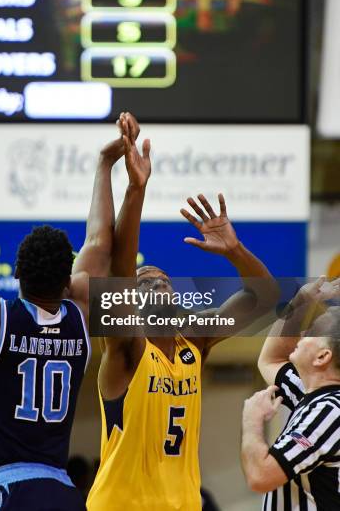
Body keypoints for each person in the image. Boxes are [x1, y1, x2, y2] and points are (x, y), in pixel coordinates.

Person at [0, 122, 130, 511]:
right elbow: (99, 243)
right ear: (66, 284)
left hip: (11, 491)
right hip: (64, 493)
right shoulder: (81, 315)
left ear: (17, 273)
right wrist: (106, 165)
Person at [87, 116, 278, 511]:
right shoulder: (127, 349)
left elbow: (265, 298)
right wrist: (136, 189)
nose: (156, 282)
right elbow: (119, 271)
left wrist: (235, 252)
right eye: (143, 282)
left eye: (162, 278)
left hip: (183, 503)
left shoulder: (195, 339)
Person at [241, 277, 340, 510]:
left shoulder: (329, 411)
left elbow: (260, 476)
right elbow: (271, 359)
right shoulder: (312, 395)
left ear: (322, 357)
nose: (302, 333)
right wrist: (301, 302)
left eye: (311, 332)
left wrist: (252, 421)